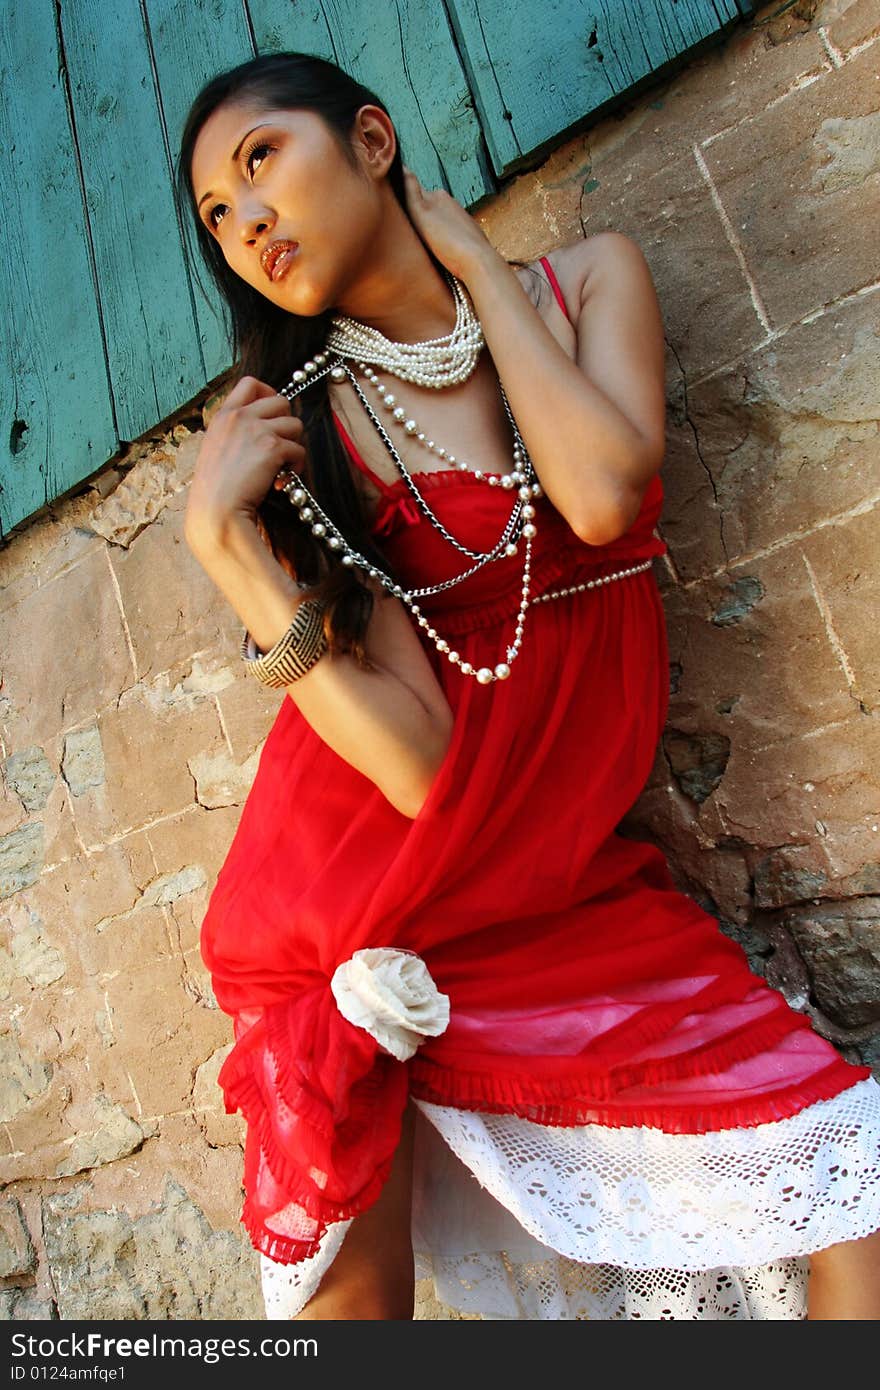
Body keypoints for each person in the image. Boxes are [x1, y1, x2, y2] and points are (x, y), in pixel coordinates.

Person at [176, 51, 880, 1321]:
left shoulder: (584, 282)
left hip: (554, 871)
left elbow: (603, 493)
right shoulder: (307, 434)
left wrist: (480, 272)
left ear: (374, 140)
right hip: (370, 897)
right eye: (217, 217)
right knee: (359, 1311)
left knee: (849, 1181)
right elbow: (420, 765)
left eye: (259, 161)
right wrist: (228, 551)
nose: (246, 223)